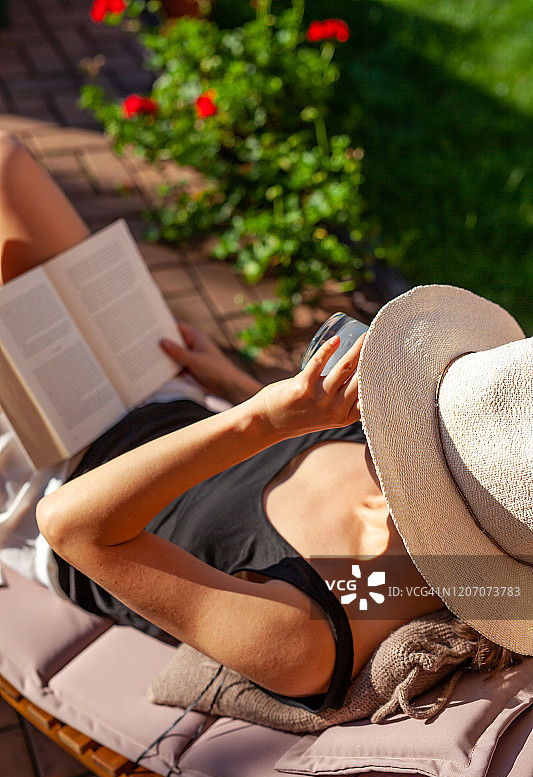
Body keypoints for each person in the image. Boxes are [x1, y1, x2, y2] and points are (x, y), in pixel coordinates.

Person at [1, 133, 529, 716]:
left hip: (49, 471)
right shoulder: (409, 456)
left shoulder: (319, 629)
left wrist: (261, 419)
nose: (405, 411)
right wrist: (230, 381)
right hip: (162, 396)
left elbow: (69, 527)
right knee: (7, 162)